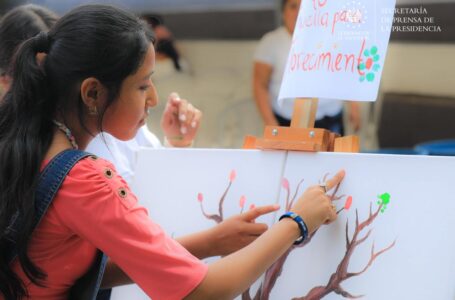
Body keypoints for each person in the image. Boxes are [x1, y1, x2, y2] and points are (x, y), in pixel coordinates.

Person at [0, 4, 343, 299]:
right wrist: (296, 223)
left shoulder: (22, 139)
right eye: (143, 85)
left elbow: (74, 269)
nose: (153, 99)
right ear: (93, 94)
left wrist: (209, 242)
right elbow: (202, 292)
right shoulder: (86, 180)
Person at [253, 0, 361, 134]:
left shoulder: (332, 36)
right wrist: (270, 121)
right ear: (283, 12)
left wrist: (354, 105)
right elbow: (260, 84)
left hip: (331, 117)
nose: (300, 11)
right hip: (287, 120)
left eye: (305, 6)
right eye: (293, 6)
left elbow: (345, 72)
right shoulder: (271, 42)